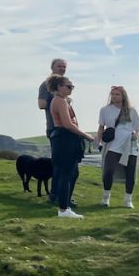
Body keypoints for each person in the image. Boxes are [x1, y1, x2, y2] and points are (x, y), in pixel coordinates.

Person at [47, 74, 95, 218]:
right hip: (64, 139)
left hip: (63, 139)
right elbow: (67, 124)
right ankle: (63, 208)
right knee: (66, 174)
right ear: (59, 87)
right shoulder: (59, 101)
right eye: (69, 86)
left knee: (72, 173)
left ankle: (65, 204)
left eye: (72, 86)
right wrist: (86, 135)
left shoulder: (62, 100)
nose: (71, 89)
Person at [96, 86, 139, 208]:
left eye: (117, 94)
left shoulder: (131, 111)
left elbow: (138, 127)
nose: (115, 96)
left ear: (123, 96)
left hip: (130, 144)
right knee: (108, 170)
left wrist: (135, 135)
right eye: (113, 94)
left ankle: (128, 200)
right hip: (113, 144)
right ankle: (106, 198)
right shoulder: (105, 110)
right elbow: (101, 127)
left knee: (130, 172)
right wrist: (99, 142)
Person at [38, 58, 68, 139]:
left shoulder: (65, 84)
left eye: (64, 67)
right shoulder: (46, 85)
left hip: (67, 126)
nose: (62, 68)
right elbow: (41, 105)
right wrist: (57, 101)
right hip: (55, 127)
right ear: (52, 68)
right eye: (59, 66)